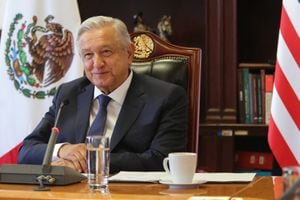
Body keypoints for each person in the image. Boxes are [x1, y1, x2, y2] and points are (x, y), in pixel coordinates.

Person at [17, 16, 188, 174]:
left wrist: (90, 161)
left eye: (106, 52)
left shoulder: (167, 97)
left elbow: (162, 160)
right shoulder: (69, 94)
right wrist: (63, 150)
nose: (97, 64)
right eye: (88, 55)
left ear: (129, 53)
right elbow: (26, 151)